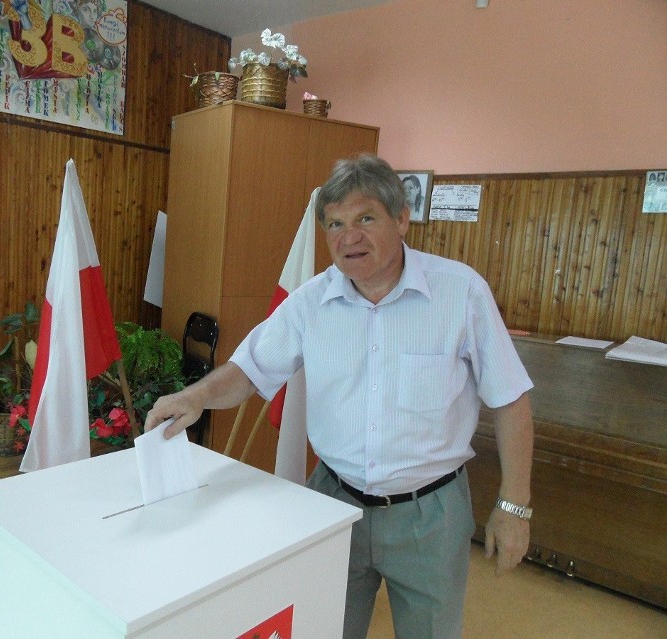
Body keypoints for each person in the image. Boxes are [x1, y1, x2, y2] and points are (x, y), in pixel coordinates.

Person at [145, 154, 534, 639]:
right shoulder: (311, 302)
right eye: (335, 224)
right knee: (325, 627)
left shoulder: (461, 294)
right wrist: (197, 396)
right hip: (333, 500)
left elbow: (511, 400)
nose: (349, 237)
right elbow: (250, 369)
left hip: (430, 513)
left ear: (402, 219)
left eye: (365, 218)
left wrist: (514, 506)